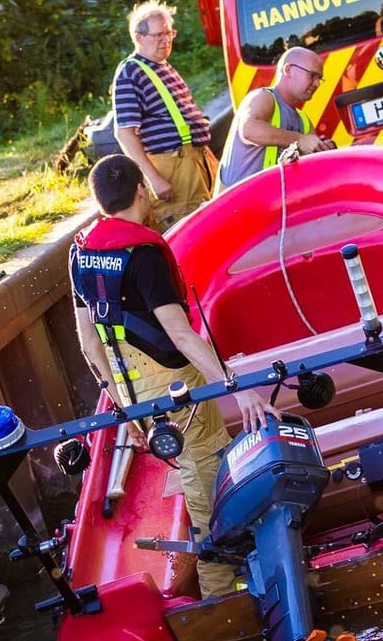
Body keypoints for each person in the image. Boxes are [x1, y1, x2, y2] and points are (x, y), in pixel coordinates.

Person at [70, 155, 278, 599]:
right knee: (207, 493)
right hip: (174, 387)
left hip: (132, 393)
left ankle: (229, 579)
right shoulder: (143, 255)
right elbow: (180, 334)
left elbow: (89, 344)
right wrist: (234, 386)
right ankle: (223, 602)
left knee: (198, 475)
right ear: (142, 190)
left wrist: (124, 408)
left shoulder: (81, 252)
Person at [111, 0, 215, 230]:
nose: (166, 40)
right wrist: (154, 179)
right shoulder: (131, 72)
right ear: (139, 37)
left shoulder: (163, 67)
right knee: (191, 230)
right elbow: (125, 133)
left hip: (193, 161)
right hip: (172, 168)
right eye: (159, 35)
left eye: (169, 33)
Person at [217, 47, 333, 191]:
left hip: (271, 203)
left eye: (319, 78)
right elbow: (248, 130)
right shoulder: (262, 98)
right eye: (312, 75)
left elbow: (310, 168)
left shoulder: (304, 122)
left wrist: (322, 150)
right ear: (288, 69)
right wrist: (299, 140)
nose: (317, 84)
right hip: (234, 204)